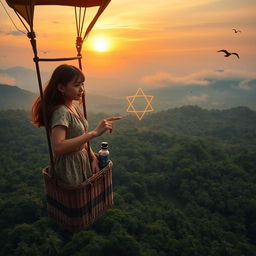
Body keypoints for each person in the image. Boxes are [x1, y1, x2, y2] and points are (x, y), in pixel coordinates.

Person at [31, 64, 121, 184]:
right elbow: (58, 147)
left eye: (82, 84)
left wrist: (93, 158)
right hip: (69, 168)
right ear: (61, 88)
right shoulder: (61, 112)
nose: (82, 89)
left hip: (81, 162)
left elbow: (79, 138)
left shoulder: (73, 107)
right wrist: (93, 133)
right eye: (76, 85)